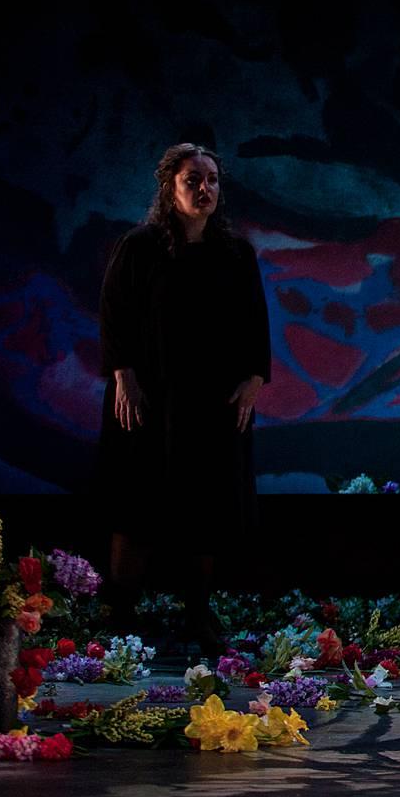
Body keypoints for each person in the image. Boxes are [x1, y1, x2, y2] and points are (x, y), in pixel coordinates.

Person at [97, 142, 271, 647]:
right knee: (137, 503)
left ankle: (197, 613)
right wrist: (123, 375)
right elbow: (114, 314)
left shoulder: (235, 254)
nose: (204, 189)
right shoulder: (140, 246)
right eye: (193, 179)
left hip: (210, 402)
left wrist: (254, 381)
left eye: (212, 179)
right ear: (170, 188)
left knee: (207, 504)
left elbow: (254, 323)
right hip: (149, 398)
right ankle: (120, 612)